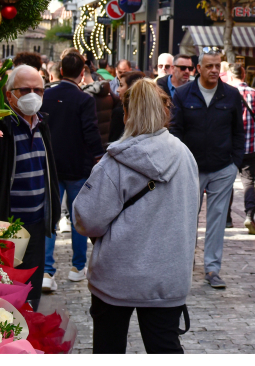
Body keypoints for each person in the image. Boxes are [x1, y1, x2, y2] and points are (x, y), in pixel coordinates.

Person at [73, 79, 199, 354]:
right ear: (164, 111)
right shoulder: (184, 154)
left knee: (108, 348)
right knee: (165, 347)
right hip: (168, 276)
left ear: (127, 114)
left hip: (117, 275)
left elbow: (87, 219)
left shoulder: (115, 162)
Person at [0, 65, 61, 310]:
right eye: (25, 90)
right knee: (5, 295)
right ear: (9, 93)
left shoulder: (42, 125)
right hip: (7, 227)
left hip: (36, 225)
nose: (33, 95)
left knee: (30, 296)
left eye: (38, 90)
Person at [169, 49, 245, 290]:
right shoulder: (182, 94)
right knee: (187, 218)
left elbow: (238, 131)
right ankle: (184, 263)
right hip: (191, 167)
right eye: (209, 66)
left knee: (217, 219)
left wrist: (235, 162)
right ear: (198, 68)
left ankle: (212, 268)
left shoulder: (231, 95)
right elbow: (175, 129)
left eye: (217, 65)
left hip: (223, 166)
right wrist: (180, 160)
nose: (214, 70)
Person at [39, 51, 104, 291]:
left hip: (52, 164)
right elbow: (90, 130)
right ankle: (78, 267)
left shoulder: (45, 96)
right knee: (78, 218)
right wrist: (98, 156)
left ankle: (47, 271)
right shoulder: (84, 100)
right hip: (78, 166)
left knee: (51, 218)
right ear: (81, 73)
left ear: (61, 71)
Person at [226, 63, 255, 235]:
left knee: (227, 182)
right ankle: (249, 216)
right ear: (244, 76)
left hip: (230, 148)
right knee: (248, 182)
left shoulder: (227, 94)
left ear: (231, 76)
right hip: (249, 147)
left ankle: (227, 219)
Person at [109, 71, 145, 143]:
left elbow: (114, 141)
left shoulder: (120, 112)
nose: (117, 89)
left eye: (121, 85)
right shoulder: (148, 111)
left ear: (132, 88)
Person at [82, 77, 119, 146]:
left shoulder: (86, 96)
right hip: (107, 139)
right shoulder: (107, 93)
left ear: (83, 77)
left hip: (93, 142)